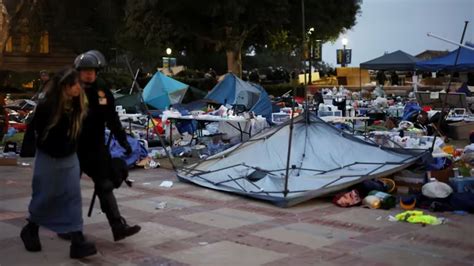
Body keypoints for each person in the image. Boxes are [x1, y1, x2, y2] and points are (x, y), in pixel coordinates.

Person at [20, 68, 97, 259]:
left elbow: (83, 131)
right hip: (49, 157)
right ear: (65, 87)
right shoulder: (48, 106)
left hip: (69, 157)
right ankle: (30, 229)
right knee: (45, 196)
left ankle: (77, 241)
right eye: (75, 84)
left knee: (72, 197)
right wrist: (30, 151)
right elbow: (35, 130)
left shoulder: (79, 104)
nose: (79, 87)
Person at [73, 50, 141, 241]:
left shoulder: (101, 89)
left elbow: (111, 118)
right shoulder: (71, 88)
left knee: (104, 185)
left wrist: (123, 141)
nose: (89, 74)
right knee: (68, 189)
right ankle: (65, 227)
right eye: (85, 70)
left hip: (95, 147)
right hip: (74, 147)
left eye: (92, 70)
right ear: (78, 72)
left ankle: (117, 226)